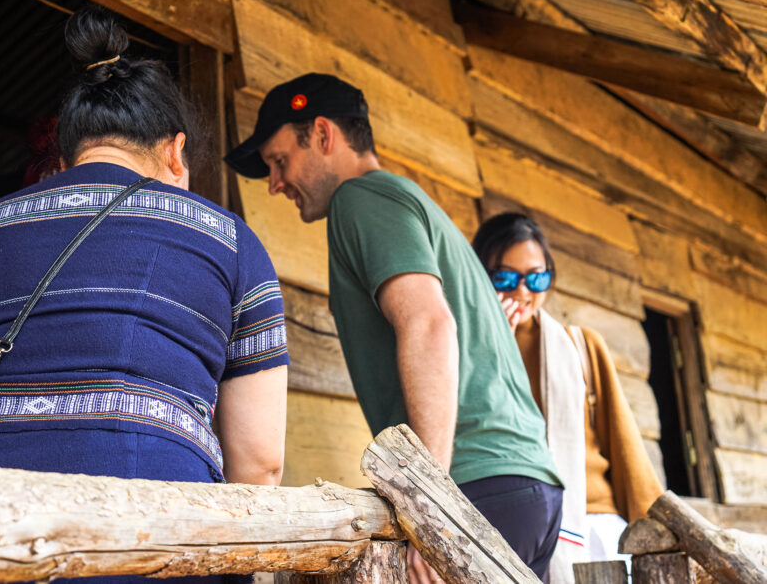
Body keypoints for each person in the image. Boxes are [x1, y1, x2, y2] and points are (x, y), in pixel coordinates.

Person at [0, 7, 289, 584]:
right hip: (163, 553)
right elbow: (260, 465)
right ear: (176, 152)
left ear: (63, 158)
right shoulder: (231, 242)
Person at [224, 73, 563, 583]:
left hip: (477, 485)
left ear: (323, 134)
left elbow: (429, 324)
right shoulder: (411, 203)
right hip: (524, 485)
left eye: (279, 161)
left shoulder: (360, 200)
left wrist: (432, 503)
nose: (275, 183)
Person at [472, 212, 662, 581]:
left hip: (593, 524)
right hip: (509, 526)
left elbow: (625, 447)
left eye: (536, 277)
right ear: (480, 276)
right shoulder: (467, 351)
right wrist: (494, 347)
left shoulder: (581, 345)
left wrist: (656, 530)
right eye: (505, 277)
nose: (523, 291)